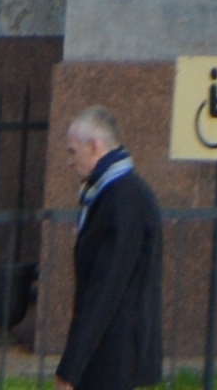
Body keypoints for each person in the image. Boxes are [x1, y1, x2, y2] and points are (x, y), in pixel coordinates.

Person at [58, 113, 163, 390]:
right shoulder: (111, 194)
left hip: (115, 357)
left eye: (72, 151)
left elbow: (105, 288)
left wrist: (71, 366)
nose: (69, 162)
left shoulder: (123, 199)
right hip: (110, 354)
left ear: (94, 146)